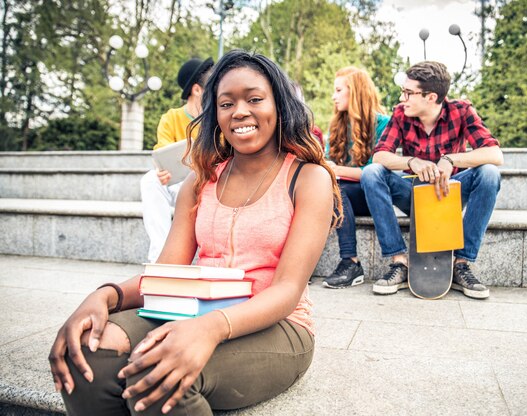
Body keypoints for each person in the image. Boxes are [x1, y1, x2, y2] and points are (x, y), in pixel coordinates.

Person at [49, 50, 342, 415]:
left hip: (280, 325)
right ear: (215, 114)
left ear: (279, 105)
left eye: (254, 99)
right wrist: (105, 297)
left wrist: (211, 329)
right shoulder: (199, 180)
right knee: (88, 353)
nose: (239, 111)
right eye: (226, 103)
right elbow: (166, 271)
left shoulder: (308, 178)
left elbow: (286, 291)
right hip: (196, 308)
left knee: (158, 375)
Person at [361, 61, 503, 298]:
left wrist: (450, 159)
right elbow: (379, 156)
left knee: (489, 173)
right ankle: (399, 261)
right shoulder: (400, 113)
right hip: (413, 195)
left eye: (408, 92)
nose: (402, 97)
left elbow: (495, 154)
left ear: (431, 97)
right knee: (371, 173)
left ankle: (462, 264)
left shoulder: (462, 111)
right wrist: (411, 162)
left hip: (450, 194)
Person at [140, 57, 214, 263]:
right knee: (150, 180)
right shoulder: (170, 118)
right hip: (181, 183)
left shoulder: (219, 117)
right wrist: (163, 171)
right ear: (197, 90)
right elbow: (163, 155)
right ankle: (160, 258)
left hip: (211, 183)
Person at [322, 66, 390, 289]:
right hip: (343, 198)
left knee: (339, 188)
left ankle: (350, 263)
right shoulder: (337, 126)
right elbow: (326, 162)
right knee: (331, 189)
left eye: (339, 90)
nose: (334, 96)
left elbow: (377, 170)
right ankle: (348, 262)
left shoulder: (382, 124)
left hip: (375, 198)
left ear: (356, 92)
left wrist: (337, 170)